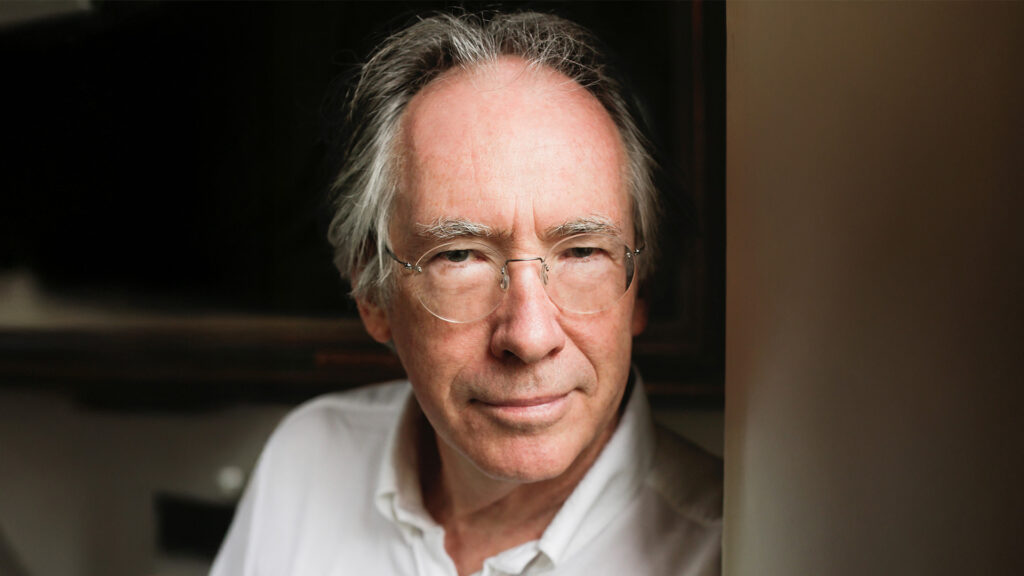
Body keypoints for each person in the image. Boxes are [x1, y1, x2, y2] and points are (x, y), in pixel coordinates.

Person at [211, 11, 721, 576]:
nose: (529, 336)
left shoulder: (730, 549)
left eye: (581, 251)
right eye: (460, 257)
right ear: (372, 296)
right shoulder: (306, 460)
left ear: (639, 287)